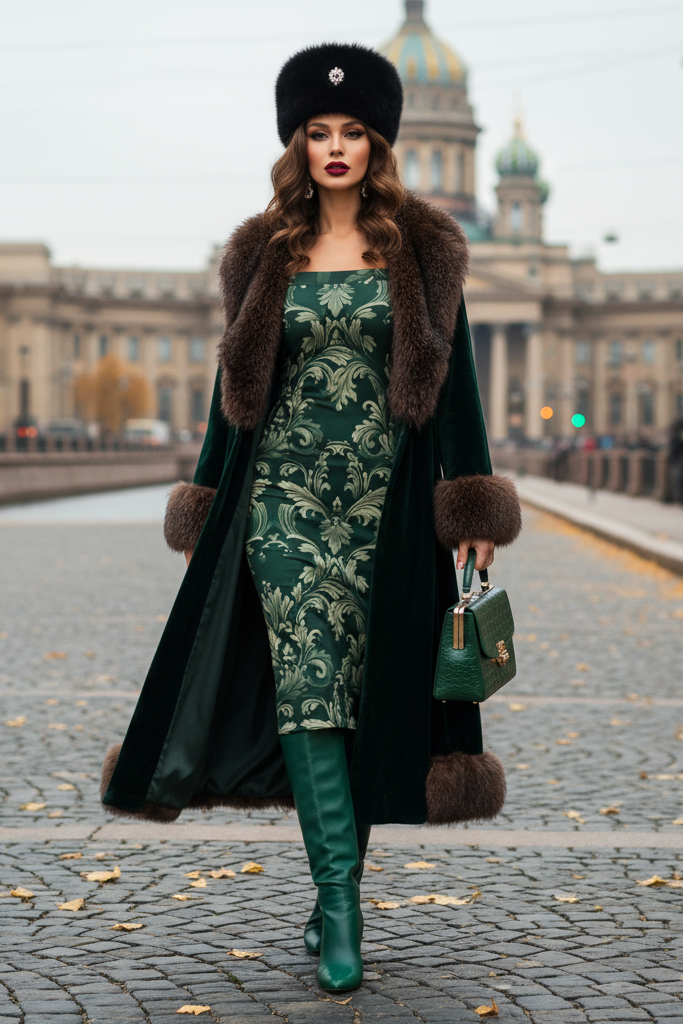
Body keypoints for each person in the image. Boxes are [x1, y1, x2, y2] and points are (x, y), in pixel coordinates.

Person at [100, 43, 522, 993]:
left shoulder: (427, 249)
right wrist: (204, 510)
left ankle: (339, 885)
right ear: (296, 144)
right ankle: (339, 906)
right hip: (281, 504)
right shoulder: (262, 251)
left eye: (353, 131)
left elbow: (455, 389)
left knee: (363, 698)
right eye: (317, 131)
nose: (335, 147)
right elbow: (234, 398)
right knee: (309, 687)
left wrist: (471, 500)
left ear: (379, 144)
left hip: (385, 506)